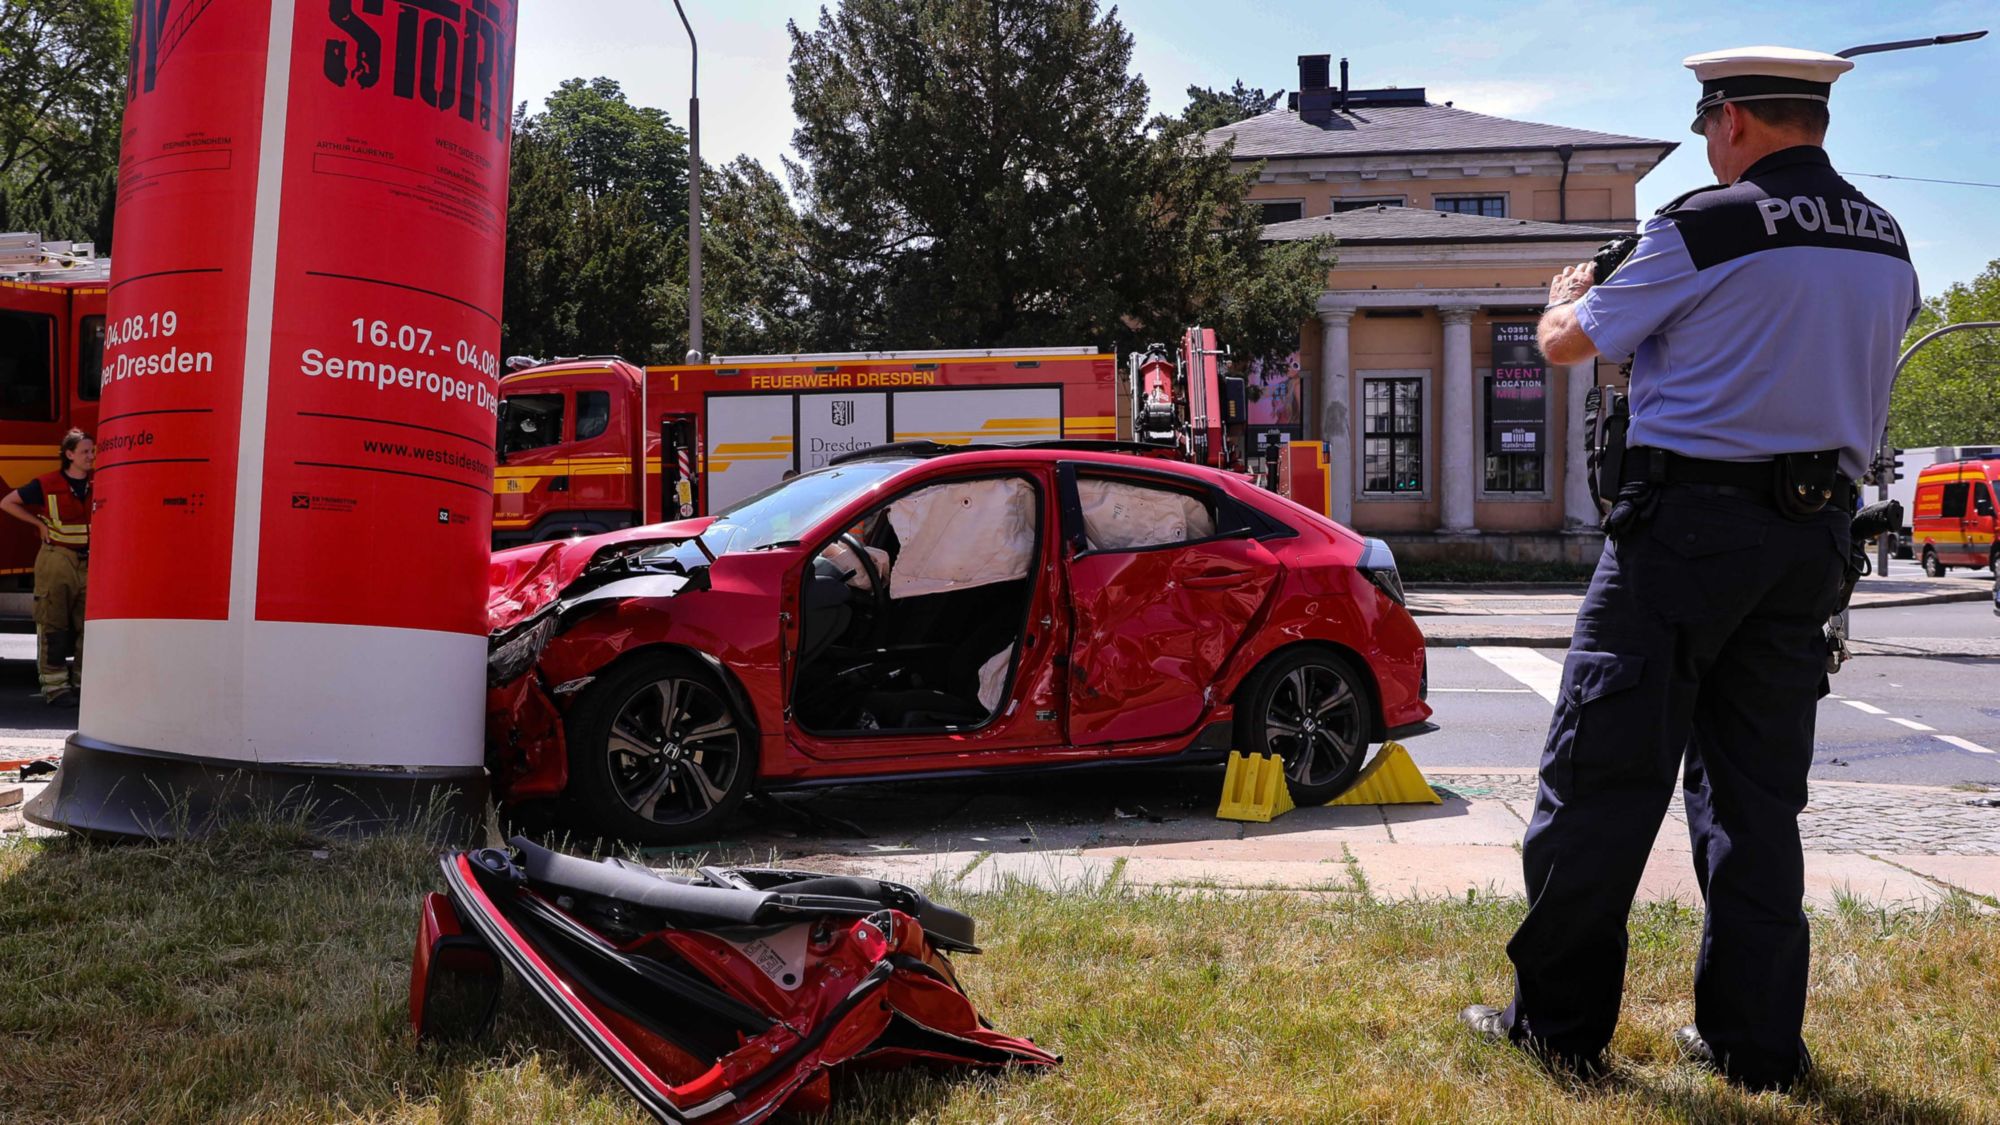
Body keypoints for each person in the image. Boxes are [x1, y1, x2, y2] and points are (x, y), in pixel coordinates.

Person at [1459, 47, 1921, 1091]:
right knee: (1756, 801)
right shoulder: (1885, 243)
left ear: (1736, 123)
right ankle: (1753, 1044)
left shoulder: (1700, 228)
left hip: (1684, 534)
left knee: (1598, 780)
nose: (1709, 146)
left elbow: (1572, 345)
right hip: (1810, 540)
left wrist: (1564, 295)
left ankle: (1557, 1026)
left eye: (1709, 127)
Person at [2, 430, 95, 706]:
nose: (91, 457)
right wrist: (39, 525)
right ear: (69, 455)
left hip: (90, 561)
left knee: (89, 629)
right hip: (57, 559)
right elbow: (7, 503)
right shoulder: (47, 483)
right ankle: (55, 690)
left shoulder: (98, 482)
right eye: (85, 452)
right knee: (53, 626)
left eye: (92, 451)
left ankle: (82, 685)